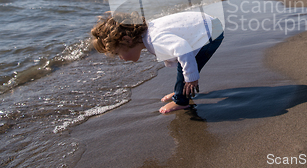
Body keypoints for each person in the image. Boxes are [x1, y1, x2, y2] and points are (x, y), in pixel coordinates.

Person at [91, 11, 224, 114]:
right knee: (183, 63)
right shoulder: (148, 34)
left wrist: (191, 77)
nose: (120, 58)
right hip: (208, 25)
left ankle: (181, 101)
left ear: (127, 40)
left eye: (117, 53)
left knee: (187, 67)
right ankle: (180, 92)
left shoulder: (155, 40)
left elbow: (182, 48)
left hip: (211, 32)